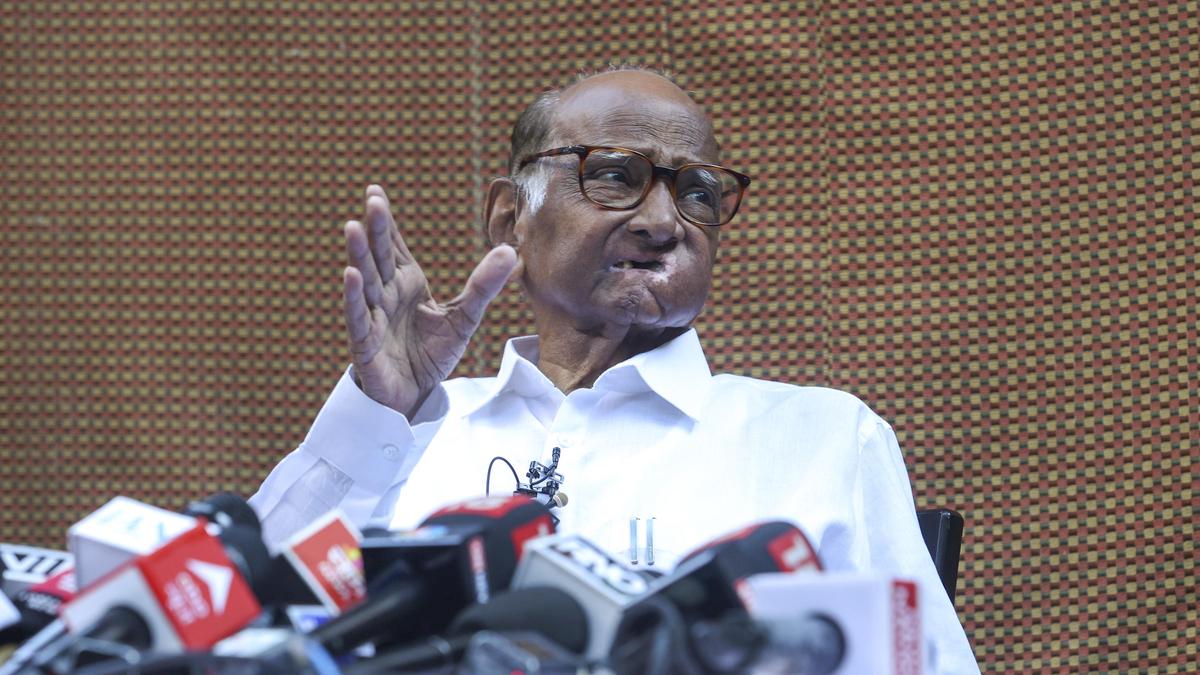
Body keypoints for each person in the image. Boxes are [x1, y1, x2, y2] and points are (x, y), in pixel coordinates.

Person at [250, 67, 979, 672]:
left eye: (697, 191)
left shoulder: (823, 439)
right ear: (509, 217)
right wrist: (377, 414)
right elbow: (237, 624)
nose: (663, 221)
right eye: (614, 175)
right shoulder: (411, 431)